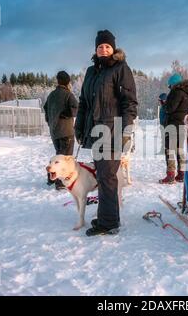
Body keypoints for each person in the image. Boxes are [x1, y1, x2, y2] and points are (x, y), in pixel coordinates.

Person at [75, 30, 138, 237]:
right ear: (96, 49)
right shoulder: (92, 72)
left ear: (113, 48)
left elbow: (129, 103)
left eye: (107, 46)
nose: (104, 49)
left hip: (112, 131)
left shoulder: (121, 69)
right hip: (95, 132)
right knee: (103, 176)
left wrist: (126, 130)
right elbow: (84, 102)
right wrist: (79, 126)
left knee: (107, 176)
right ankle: (107, 216)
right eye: (100, 46)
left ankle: (109, 222)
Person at [43, 71, 78, 190]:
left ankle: (51, 177)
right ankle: (60, 182)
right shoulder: (68, 94)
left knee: (59, 155)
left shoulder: (51, 95)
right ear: (68, 81)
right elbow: (76, 109)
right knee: (65, 158)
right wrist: (66, 113)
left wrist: (50, 121)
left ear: (58, 81)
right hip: (66, 131)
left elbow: (45, 109)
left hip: (54, 131)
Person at [159, 73, 188, 184]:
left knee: (169, 150)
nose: (169, 88)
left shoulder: (176, 92)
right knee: (179, 150)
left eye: (170, 86)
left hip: (172, 124)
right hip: (182, 124)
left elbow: (170, 109)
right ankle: (181, 174)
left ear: (174, 84)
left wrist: (164, 104)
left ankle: (170, 175)